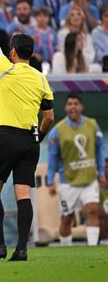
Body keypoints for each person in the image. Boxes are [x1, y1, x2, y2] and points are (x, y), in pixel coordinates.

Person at [0, 0, 54, 261]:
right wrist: (38, 136)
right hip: (30, 142)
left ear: (13, 52)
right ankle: (22, 249)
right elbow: (49, 117)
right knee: (23, 193)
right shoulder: (42, 79)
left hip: (7, 137)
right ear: (31, 54)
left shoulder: (6, 70)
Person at [47, 94, 105, 246]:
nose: (73, 106)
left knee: (92, 210)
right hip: (68, 182)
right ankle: (66, 249)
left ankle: (92, 247)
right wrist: (50, 181)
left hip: (89, 179)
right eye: (70, 104)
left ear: (81, 107)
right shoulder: (58, 131)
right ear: (66, 107)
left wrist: (101, 173)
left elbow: (100, 149)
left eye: (76, 103)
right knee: (67, 218)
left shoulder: (92, 125)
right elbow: (52, 157)